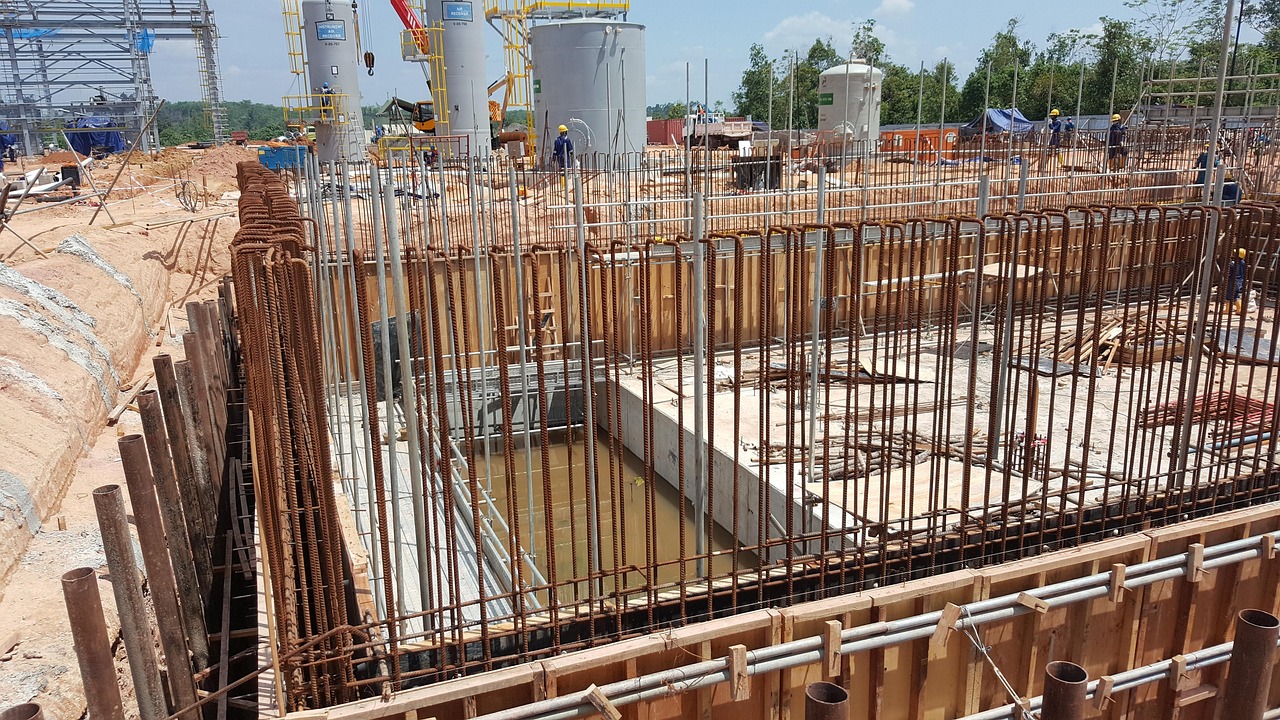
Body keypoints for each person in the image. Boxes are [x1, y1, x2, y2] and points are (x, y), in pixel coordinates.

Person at [1225, 247, 1248, 314]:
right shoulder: (1243, 263)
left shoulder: (1232, 264)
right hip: (1240, 282)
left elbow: (1229, 273)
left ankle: (1228, 310)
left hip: (1232, 281)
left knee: (1228, 295)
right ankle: (1239, 309)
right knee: (1236, 295)